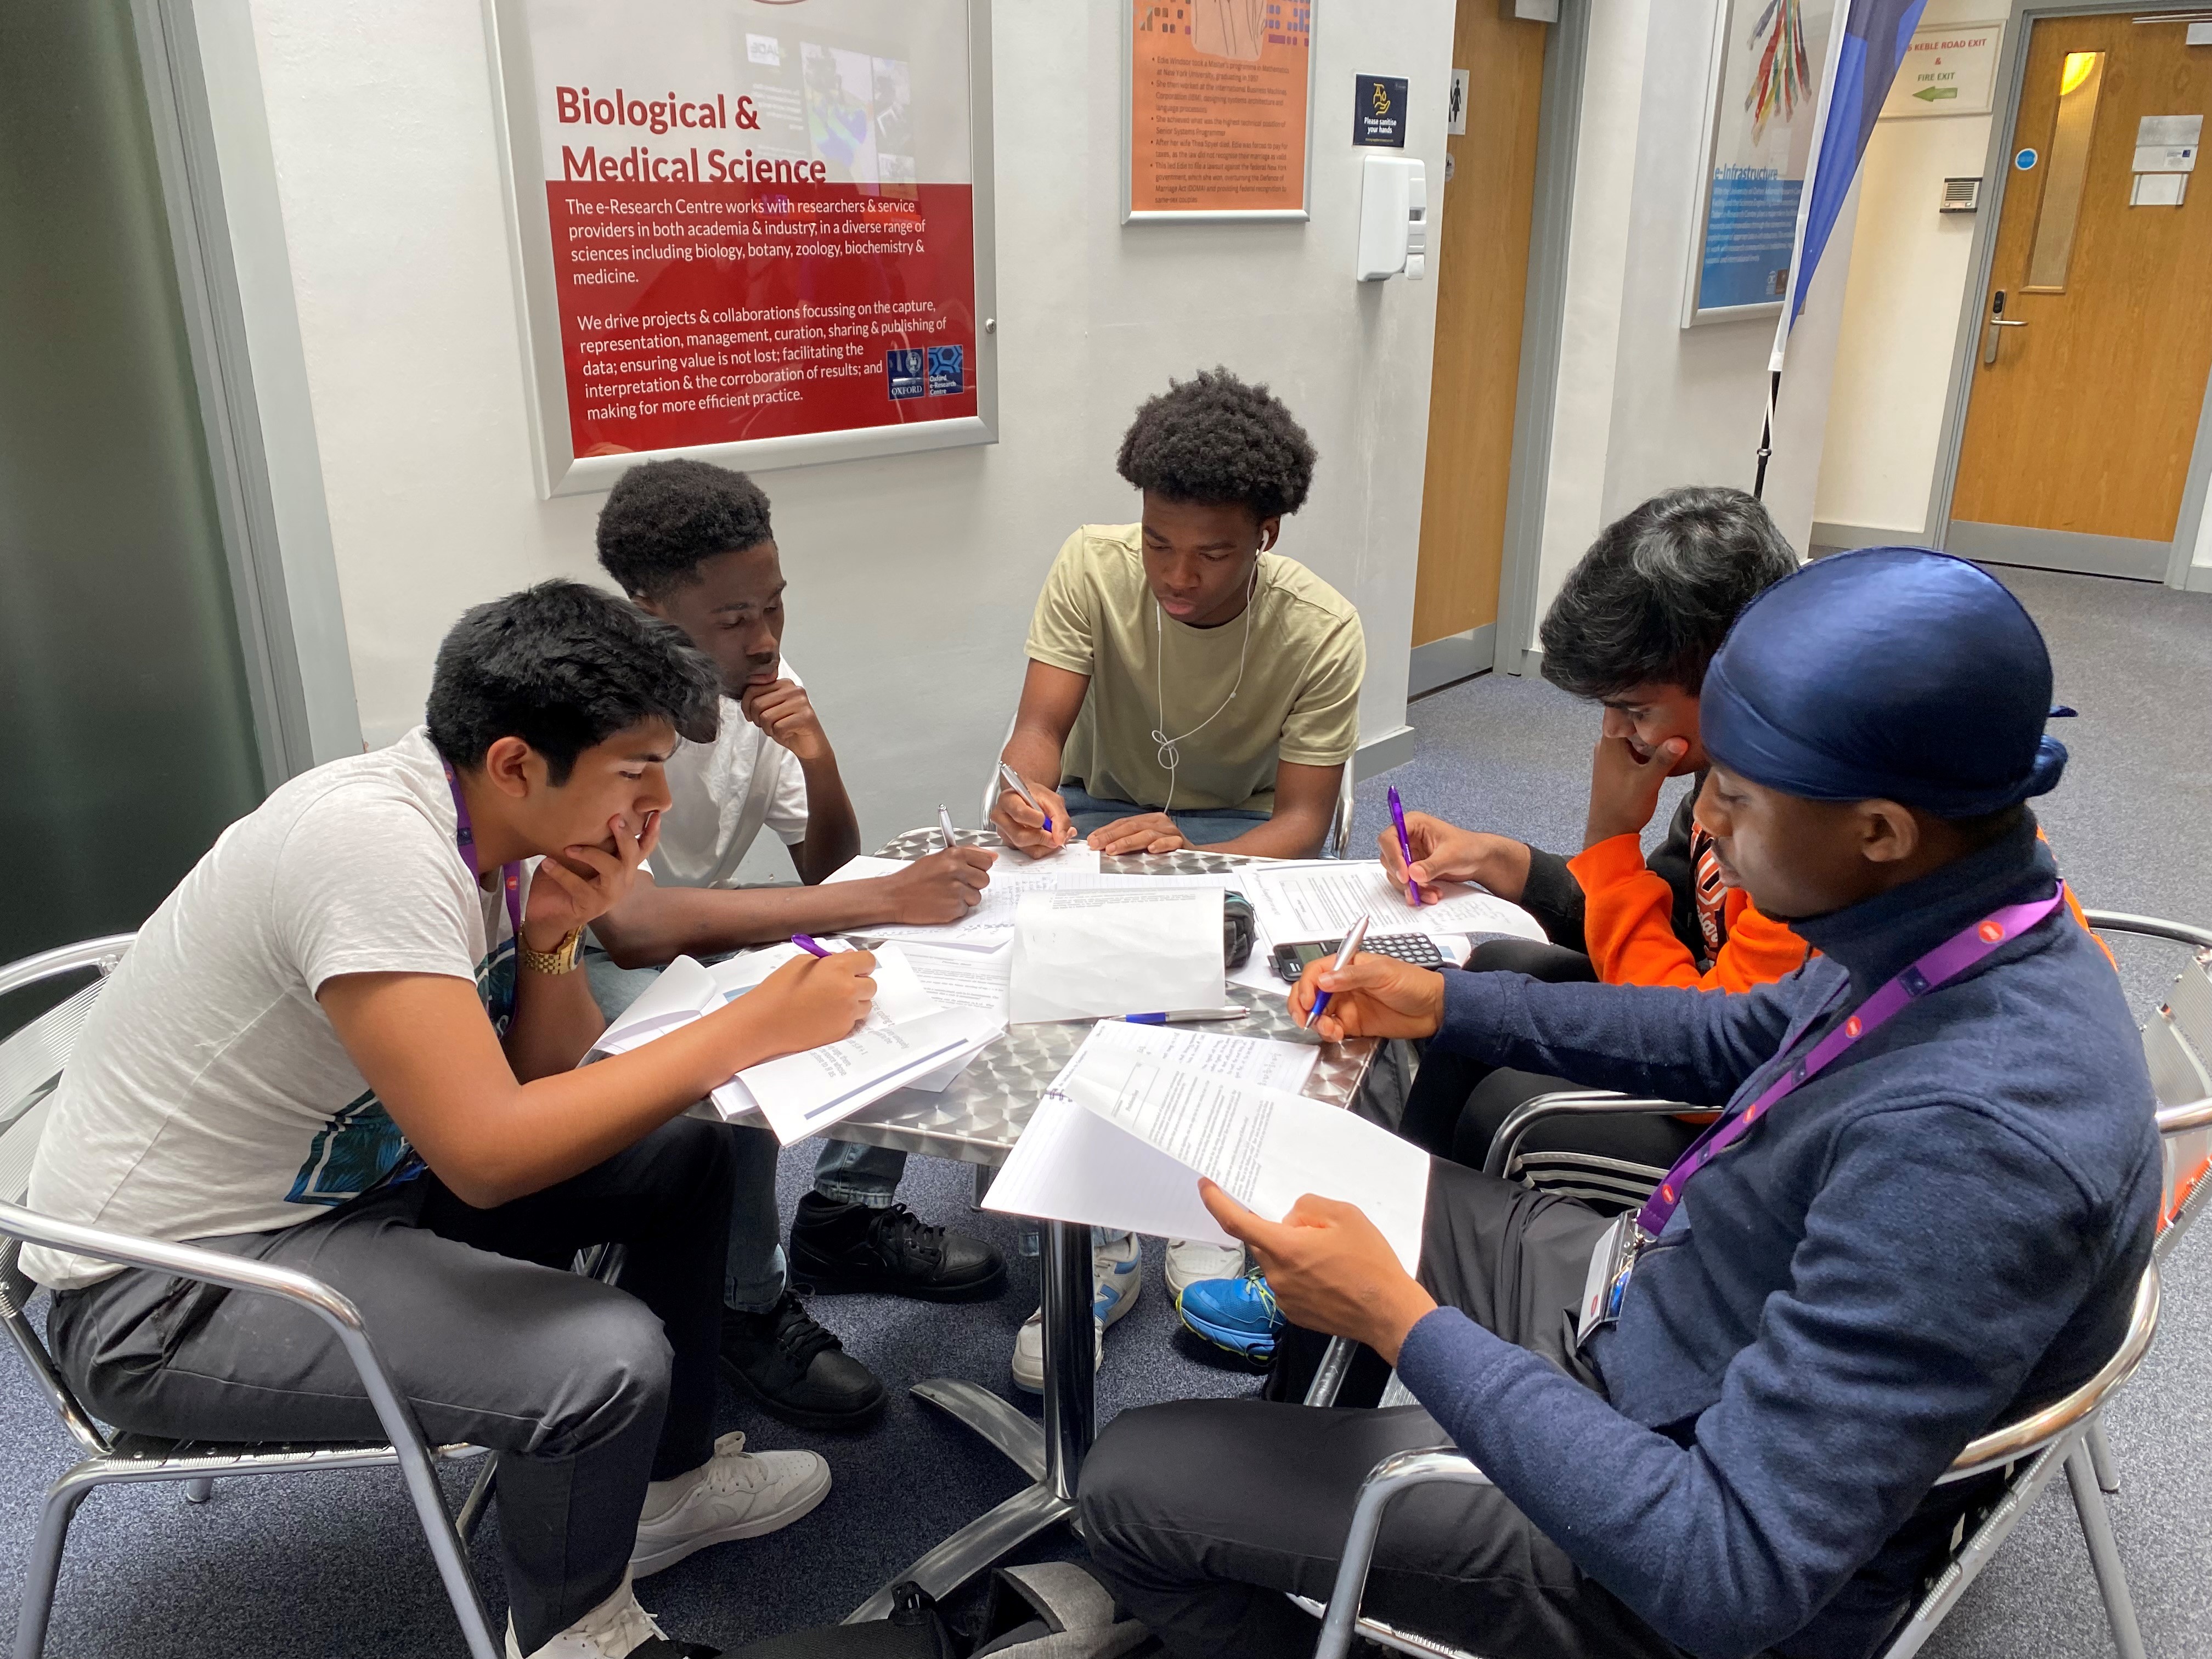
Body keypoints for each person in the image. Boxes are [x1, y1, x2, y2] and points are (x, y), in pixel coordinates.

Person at [1078, 548, 2160, 1659]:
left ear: (1880, 828)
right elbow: (1736, 1036)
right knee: (1308, 1187)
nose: (1712, 836)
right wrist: (1442, 1003)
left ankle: (1294, 1537)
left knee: (1125, 1488)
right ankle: (1301, 1507)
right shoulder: (1952, 917)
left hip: (1659, 1537)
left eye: (1735, 800)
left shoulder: (1974, 1147)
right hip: (1658, 1311)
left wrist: (1403, 1322)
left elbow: (1727, 1571)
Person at [25, 582, 879, 1659]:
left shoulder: (496, 819)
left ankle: (662, 1489)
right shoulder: (373, 851)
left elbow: (552, 1086)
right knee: (600, 1358)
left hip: (355, 1198)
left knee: (685, 1147)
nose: (652, 801)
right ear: (518, 761)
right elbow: (488, 1157)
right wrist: (751, 1026)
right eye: (633, 768)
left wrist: (556, 941)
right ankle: (577, 1635)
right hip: (173, 1291)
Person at [1177, 486, 1802, 1364]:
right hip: (1716, 1035)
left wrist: (1609, 836)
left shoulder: (1797, 828)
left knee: (1513, 1114)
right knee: (1493, 966)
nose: (1616, 733)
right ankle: (1341, 1274)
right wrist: (1503, 860)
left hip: (1752, 1129)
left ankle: (1408, 1316)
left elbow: (1709, 1044)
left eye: (1636, 709)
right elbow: (1664, 920)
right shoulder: (1722, 771)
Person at [587, 459, 1008, 1432]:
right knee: (723, 1054)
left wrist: (817, 758)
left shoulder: (765, 681)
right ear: (650, 610)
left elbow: (828, 867)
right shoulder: (601, 704)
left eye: (775, 606)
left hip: (710, 930)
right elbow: (632, 924)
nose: (766, 637)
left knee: (891, 958)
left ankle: (848, 1215)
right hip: (599, 958)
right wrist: (868, 898)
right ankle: (742, 1302)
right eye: (734, 619)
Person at [985, 366, 1367, 1384]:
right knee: (1048, 987)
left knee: (1229, 1001)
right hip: (1106, 819)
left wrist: (1194, 858)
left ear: (1268, 537)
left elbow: (1303, 821)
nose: (1176, 575)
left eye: (1213, 554)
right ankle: (1097, 1241)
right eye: (1158, 542)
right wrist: (1023, 799)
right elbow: (1036, 735)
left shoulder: (1321, 629)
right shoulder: (1090, 566)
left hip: (1245, 834)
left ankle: (1211, 1202)